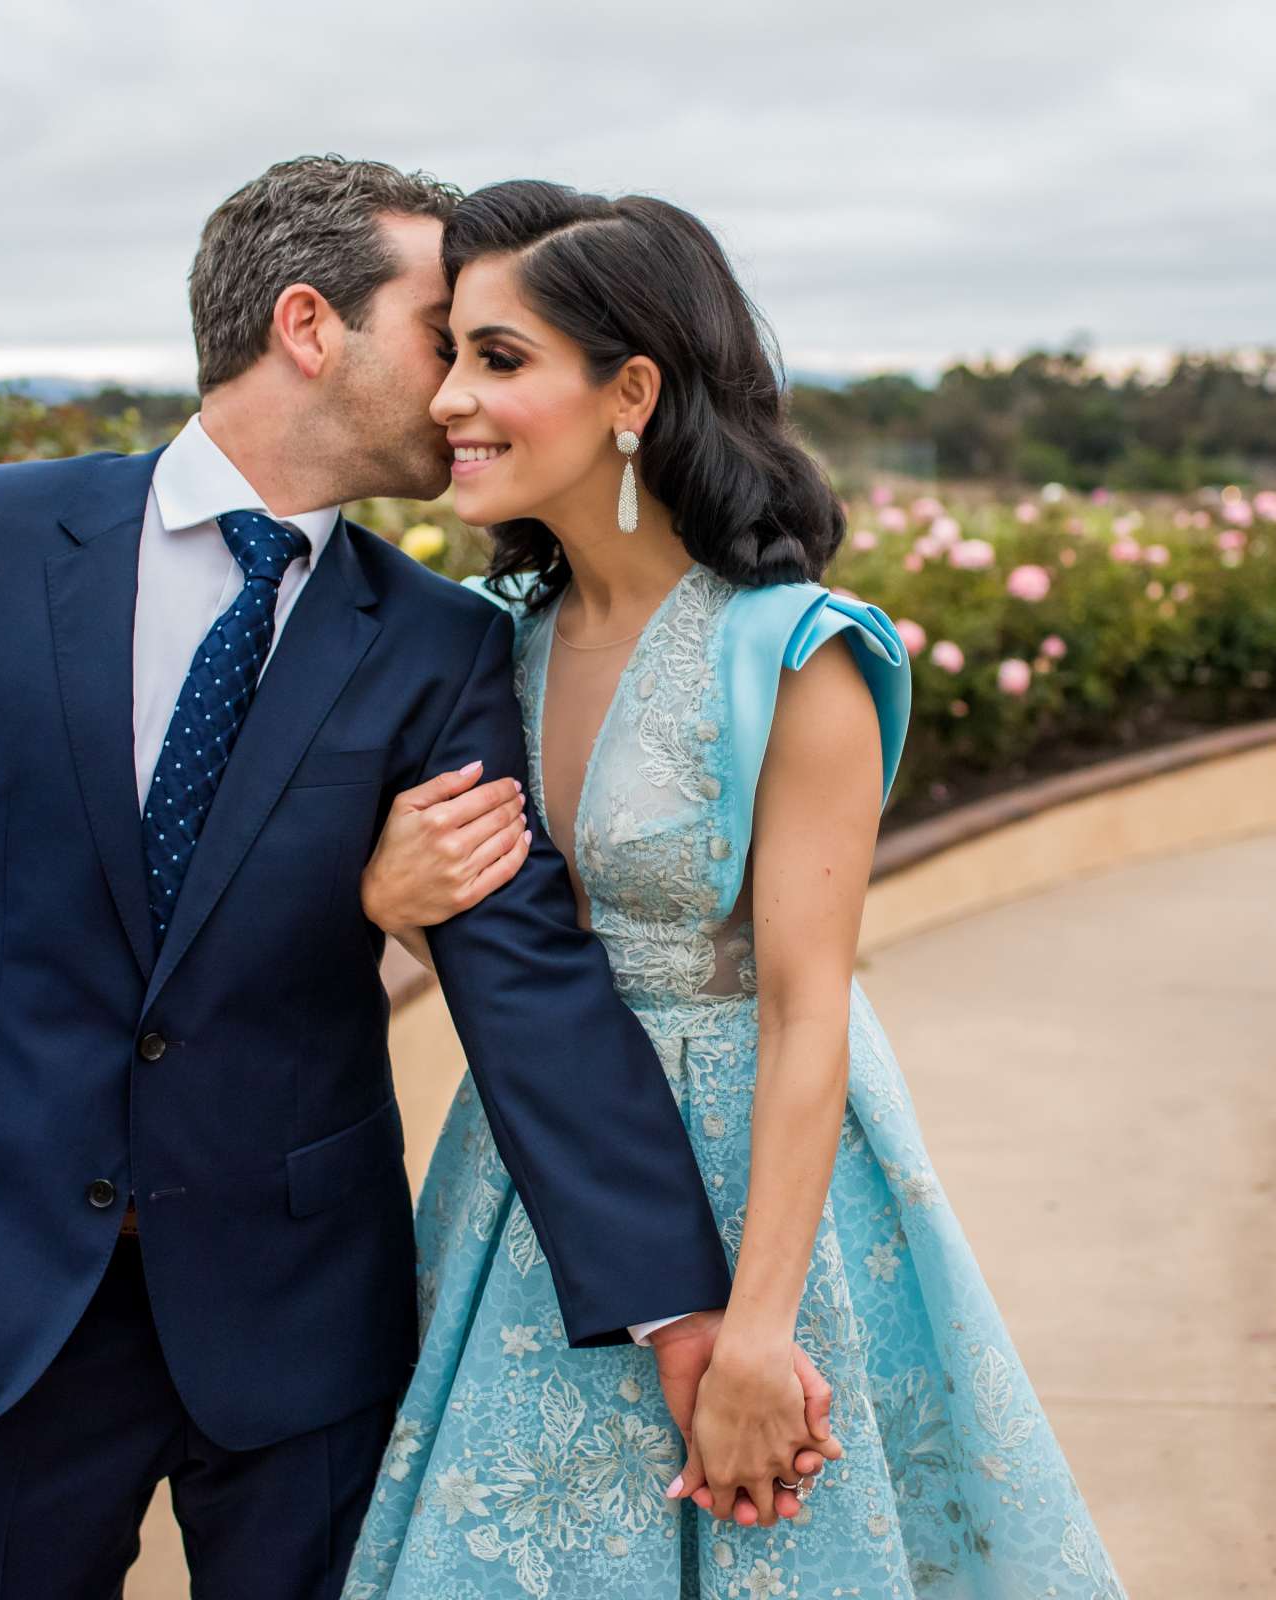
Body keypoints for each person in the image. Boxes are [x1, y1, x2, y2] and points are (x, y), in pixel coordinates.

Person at [0, 155, 822, 1600]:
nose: (458, 386)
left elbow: (526, 977)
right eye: (440, 334)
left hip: (301, 1312)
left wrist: (675, 1309)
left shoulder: (442, 642)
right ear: (309, 325)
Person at [344, 179, 1125, 1599]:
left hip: (764, 1192)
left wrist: (758, 1331)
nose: (449, 397)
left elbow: (808, 1010)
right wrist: (384, 894)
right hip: (539, 1165)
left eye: (498, 358)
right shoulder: (485, 643)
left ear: (631, 389)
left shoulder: (793, 653)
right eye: (451, 351)